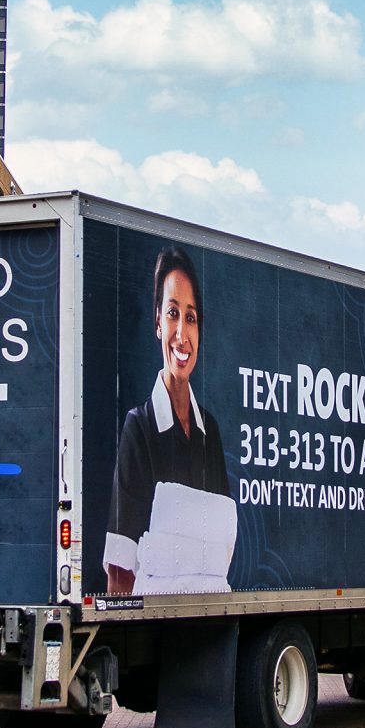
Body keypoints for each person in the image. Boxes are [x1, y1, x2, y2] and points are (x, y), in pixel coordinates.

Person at [102, 246, 235, 595]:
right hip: (154, 623)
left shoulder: (210, 433)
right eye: (173, 313)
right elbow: (119, 571)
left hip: (204, 615)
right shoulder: (140, 428)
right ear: (157, 322)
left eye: (191, 318)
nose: (182, 332)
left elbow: (221, 545)